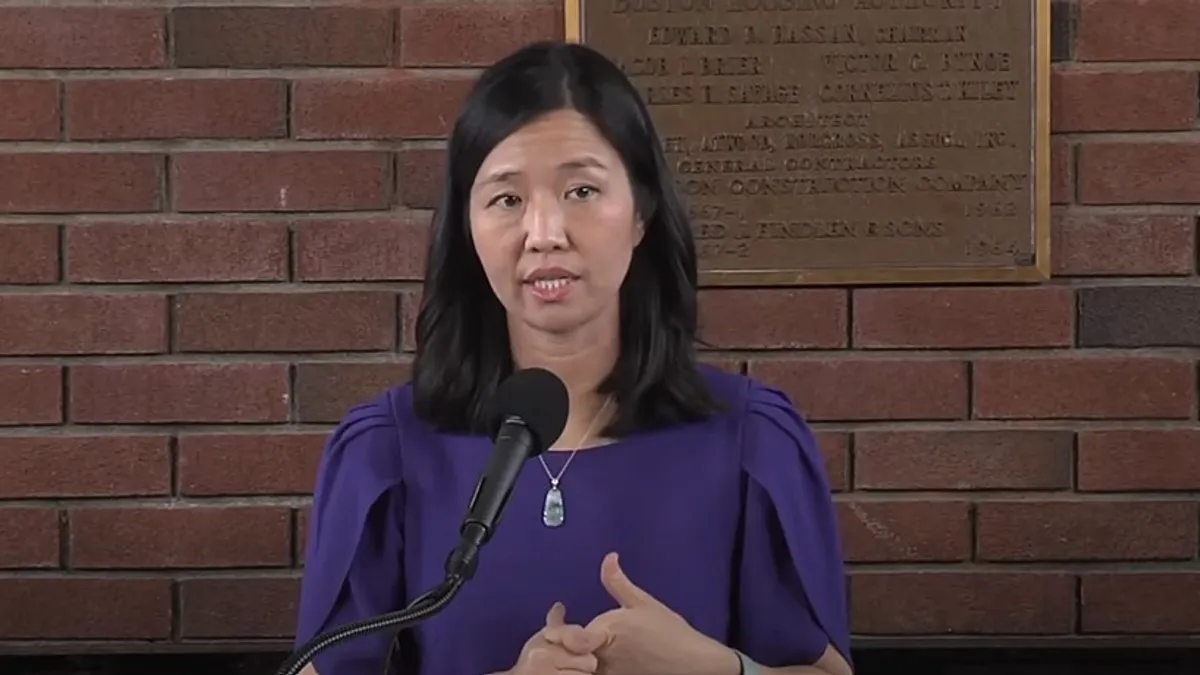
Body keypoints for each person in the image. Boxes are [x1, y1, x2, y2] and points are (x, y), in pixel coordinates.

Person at [293, 40, 853, 675]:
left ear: (641, 212)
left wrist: (713, 669)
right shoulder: (385, 453)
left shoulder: (753, 441)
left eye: (581, 191)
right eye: (506, 199)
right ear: (467, 227)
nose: (544, 233)